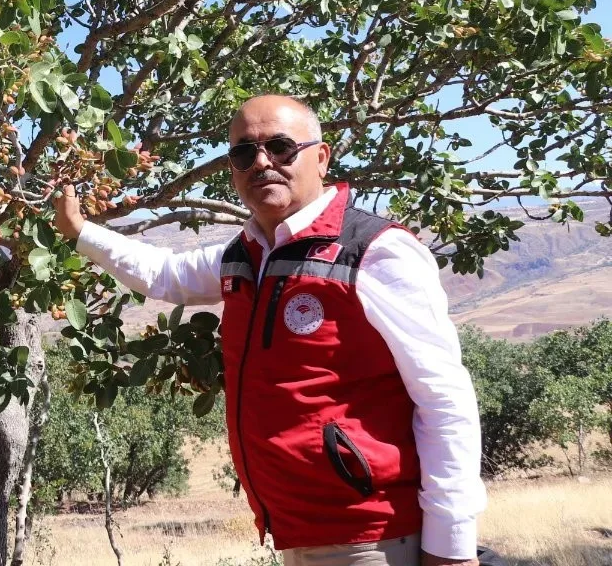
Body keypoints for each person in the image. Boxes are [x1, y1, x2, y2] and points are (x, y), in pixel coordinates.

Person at [53, 95, 485, 566]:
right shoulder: (247, 254)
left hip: (370, 535)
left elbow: (443, 397)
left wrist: (451, 544)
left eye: (280, 147)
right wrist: (79, 230)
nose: (261, 162)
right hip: (295, 534)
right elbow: (163, 273)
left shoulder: (377, 252)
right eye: (244, 153)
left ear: (321, 157)